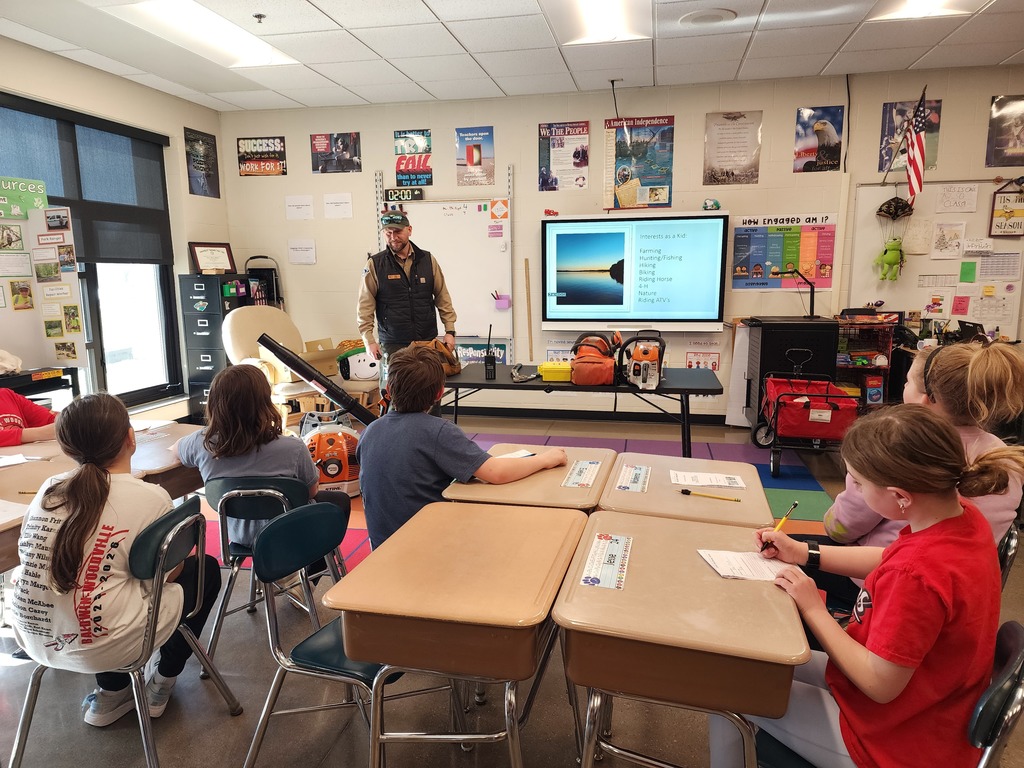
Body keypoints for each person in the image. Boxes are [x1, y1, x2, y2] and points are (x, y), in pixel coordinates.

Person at [710, 404, 1024, 767]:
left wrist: (813, 608)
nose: (854, 490)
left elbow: (879, 684)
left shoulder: (917, 577)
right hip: (927, 705)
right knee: (745, 663)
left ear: (900, 497)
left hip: (895, 742)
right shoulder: (961, 518)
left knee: (724, 686)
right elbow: (890, 557)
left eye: (858, 483)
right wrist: (805, 552)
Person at [10, 393, 221, 726]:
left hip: (34, 641)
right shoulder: (150, 496)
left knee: (98, 585)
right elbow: (170, 572)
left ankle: (111, 694)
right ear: (130, 437)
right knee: (203, 571)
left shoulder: (48, 489)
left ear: (66, 448)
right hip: (106, 644)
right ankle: (162, 681)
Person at [819, 340, 1024, 611]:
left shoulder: (899, 448)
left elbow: (843, 527)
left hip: (884, 582)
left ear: (925, 399)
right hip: (957, 588)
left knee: (775, 565)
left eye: (907, 382)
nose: (903, 388)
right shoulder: (1002, 456)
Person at [357, 345, 568, 548]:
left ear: (389, 389)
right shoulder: (438, 432)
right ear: (440, 393)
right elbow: (496, 473)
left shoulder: (368, 432)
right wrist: (546, 459)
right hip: (430, 548)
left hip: (382, 550)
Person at [174, 364, 349, 550]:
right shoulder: (293, 447)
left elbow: (176, 450)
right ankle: (313, 564)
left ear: (214, 404)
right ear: (265, 402)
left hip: (239, 536)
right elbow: (311, 491)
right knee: (340, 500)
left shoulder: (202, 443)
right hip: (287, 534)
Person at [356, 211, 457, 385]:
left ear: (409, 230)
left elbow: (442, 296)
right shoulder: (375, 264)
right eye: (388, 233)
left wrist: (450, 330)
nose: (393, 237)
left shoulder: (428, 260)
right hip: (394, 344)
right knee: (394, 398)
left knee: (431, 393)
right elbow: (365, 306)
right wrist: (368, 340)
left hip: (427, 342)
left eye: (398, 232)